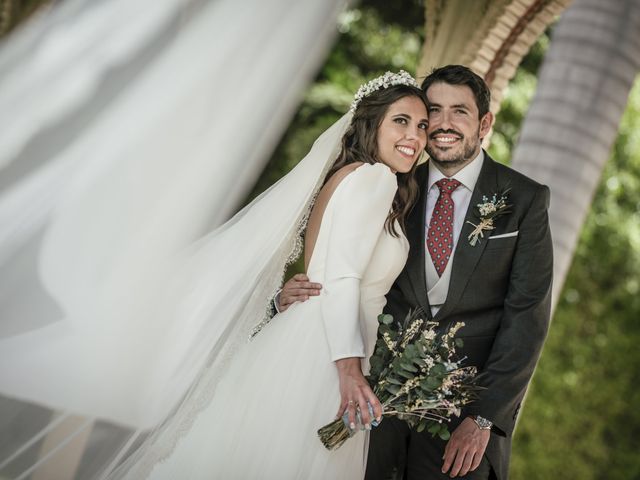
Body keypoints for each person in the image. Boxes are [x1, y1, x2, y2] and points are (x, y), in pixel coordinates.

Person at [135, 72, 429, 479]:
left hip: (304, 335)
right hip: (328, 353)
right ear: (372, 123)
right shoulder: (376, 179)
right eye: (401, 120)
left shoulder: (344, 176)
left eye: (422, 125)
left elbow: (325, 270)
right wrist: (349, 372)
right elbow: (343, 277)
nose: (414, 135)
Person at [279, 65, 553, 480]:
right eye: (433, 111)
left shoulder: (525, 199)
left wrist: (482, 419)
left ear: (484, 123)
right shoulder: (395, 183)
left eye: (459, 111)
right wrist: (289, 299)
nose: (442, 124)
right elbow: (341, 269)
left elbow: (526, 321)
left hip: (461, 425)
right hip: (371, 410)